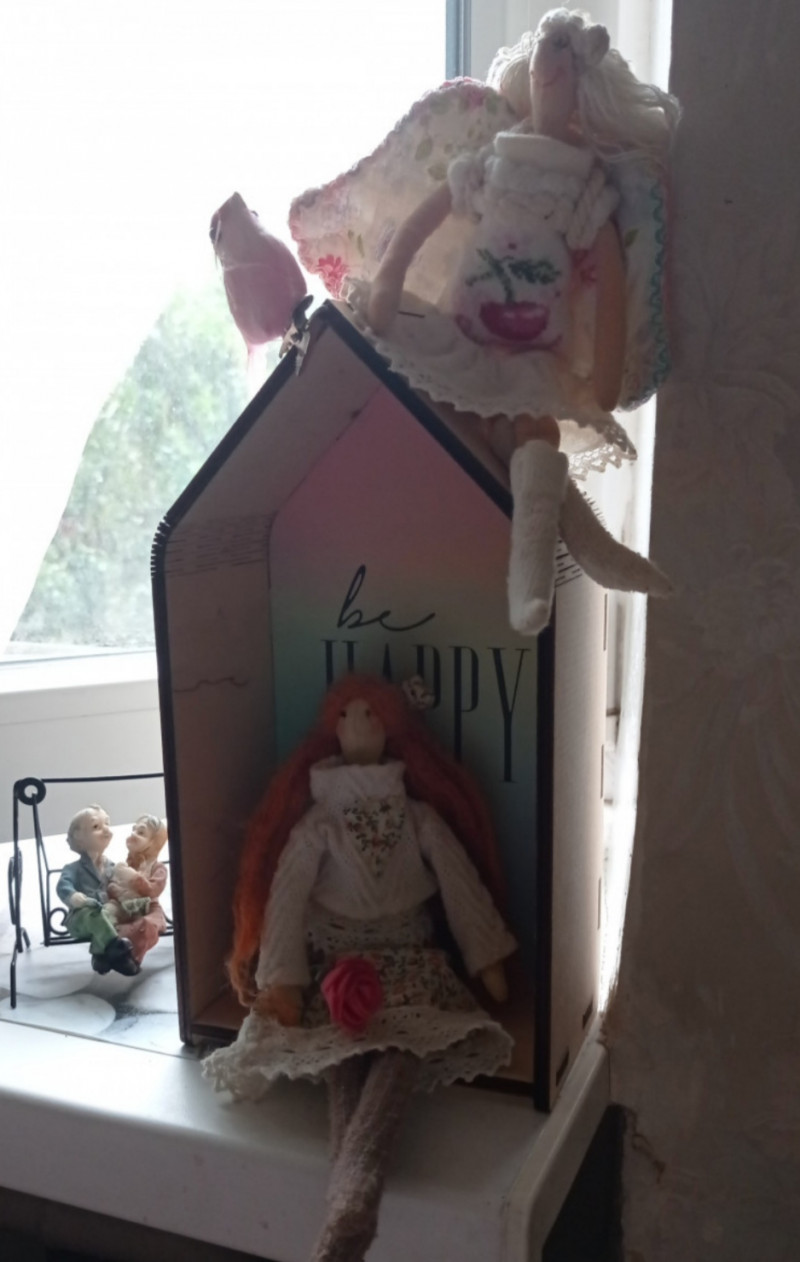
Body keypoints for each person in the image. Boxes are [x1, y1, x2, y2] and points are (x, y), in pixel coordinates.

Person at [289, 8, 680, 634]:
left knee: (536, 430)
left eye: (562, 58)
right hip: (462, 333)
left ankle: (531, 575)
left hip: (533, 354)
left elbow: (609, 278)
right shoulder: (492, 161)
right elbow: (425, 217)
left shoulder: (585, 189)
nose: (548, 70)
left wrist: (606, 378)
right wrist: (388, 283)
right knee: (451, 419)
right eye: (545, 53)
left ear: (581, 80)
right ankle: (568, 541)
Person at [203, 674, 517, 1262]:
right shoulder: (319, 823)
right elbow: (288, 896)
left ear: (393, 727)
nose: (358, 724)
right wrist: (284, 982)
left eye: (371, 714)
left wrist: (486, 954)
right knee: (343, 1055)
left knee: (400, 1050)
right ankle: (354, 1197)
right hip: (336, 966)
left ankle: (352, 1194)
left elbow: (458, 879)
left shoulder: (417, 817)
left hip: (411, 962)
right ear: (333, 729)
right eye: (346, 715)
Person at [56, 805, 140, 976]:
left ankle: (102, 956)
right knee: (94, 914)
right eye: (96, 826)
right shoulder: (73, 868)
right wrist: (73, 896)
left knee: (110, 912)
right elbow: (63, 885)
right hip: (82, 919)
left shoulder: (112, 866)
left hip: (107, 915)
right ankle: (121, 955)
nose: (106, 829)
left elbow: (121, 888)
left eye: (107, 824)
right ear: (79, 837)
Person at [107, 814, 169, 965]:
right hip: (124, 907)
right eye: (133, 830)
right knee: (105, 918)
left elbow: (153, 890)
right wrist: (118, 891)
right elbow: (111, 888)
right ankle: (108, 954)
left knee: (147, 925)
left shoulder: (158, 868)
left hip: (149, 908)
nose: (133, 834)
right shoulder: (124, 865)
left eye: (141, 832)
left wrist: (133, 877)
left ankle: (132, 958)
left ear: (153, 842)